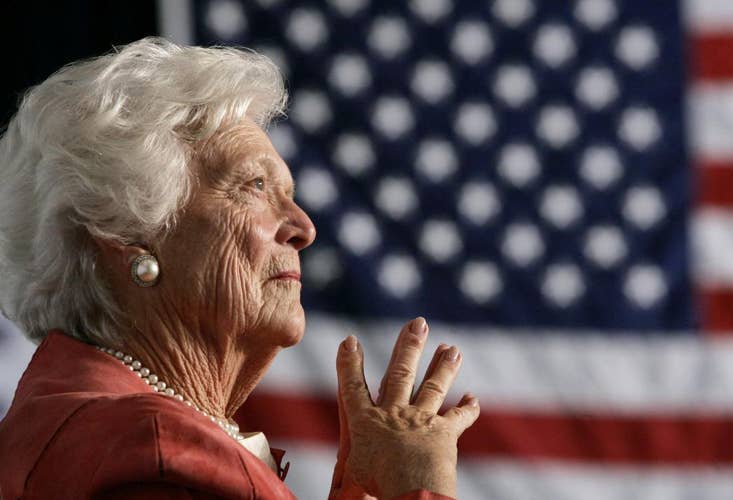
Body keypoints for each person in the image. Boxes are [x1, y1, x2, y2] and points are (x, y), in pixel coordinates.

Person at [0, 38, 479, 499]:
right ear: (127, 232)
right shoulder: (152, 454)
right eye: (253, 186)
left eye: (288, 195)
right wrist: (421, 485)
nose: (303, 227)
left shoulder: (102, 435)